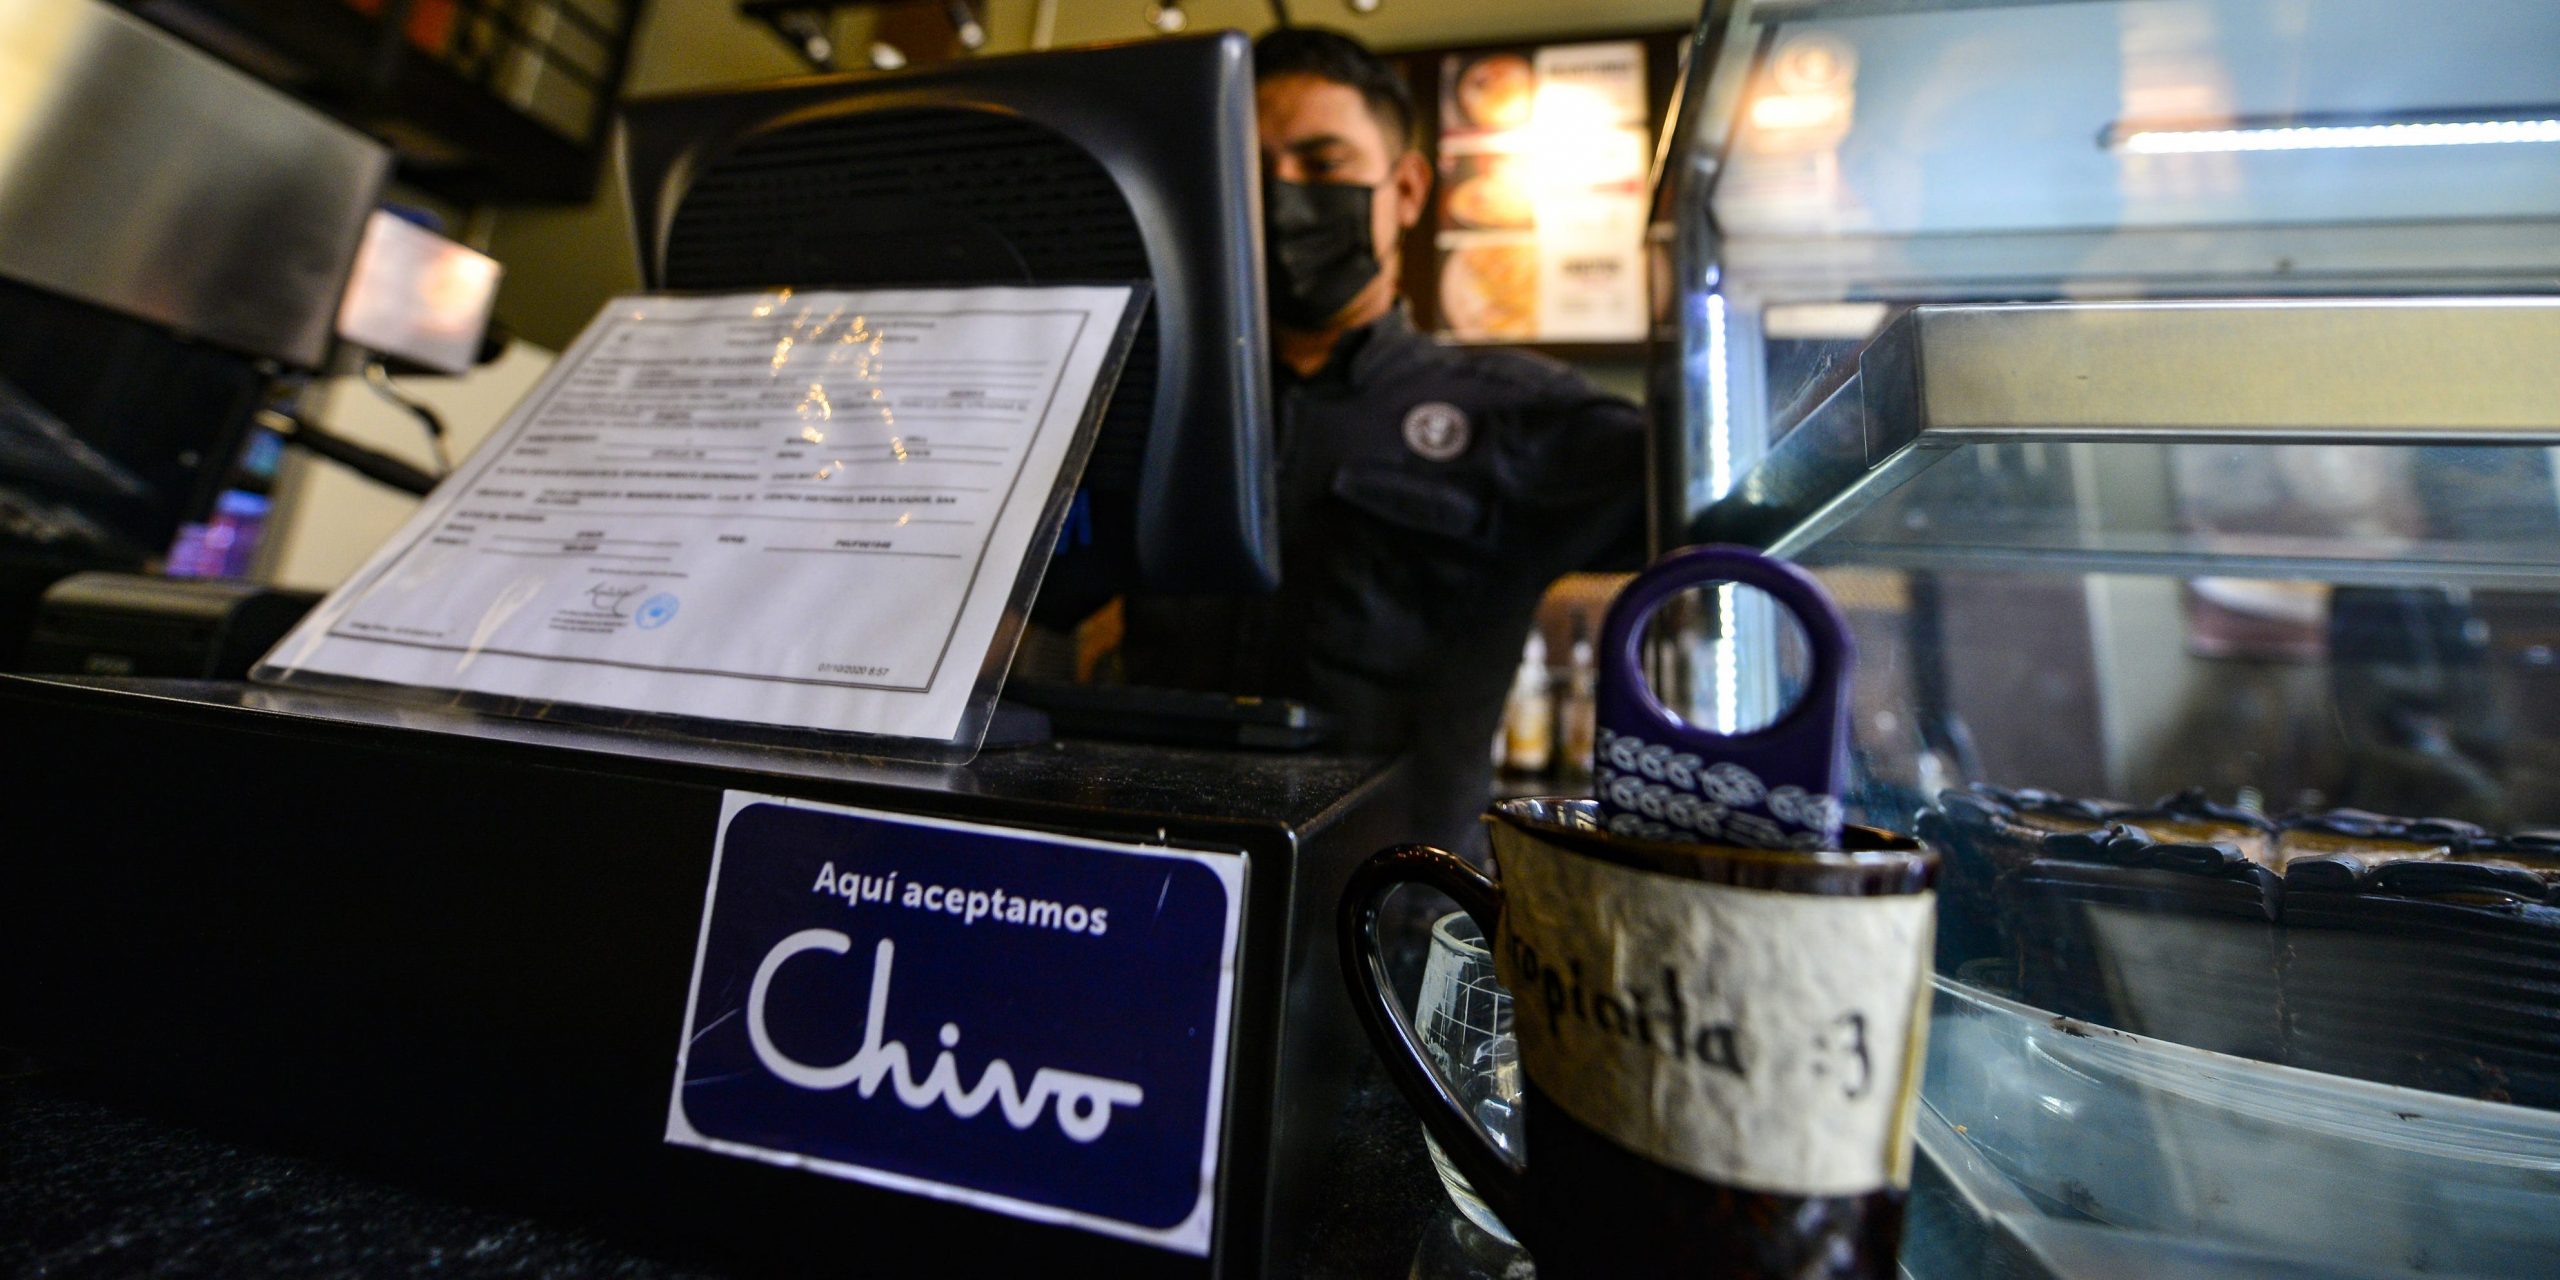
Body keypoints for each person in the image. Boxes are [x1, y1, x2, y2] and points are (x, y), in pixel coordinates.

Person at [1125, 26, 1646, 857]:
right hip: (1157, 899)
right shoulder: (1151, 399)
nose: (1283, 194)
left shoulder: (1515, 415)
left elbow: (1730, 507)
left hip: (1385, 930)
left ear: (1405, 189)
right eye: (1253, 173)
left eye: (1322, 164)